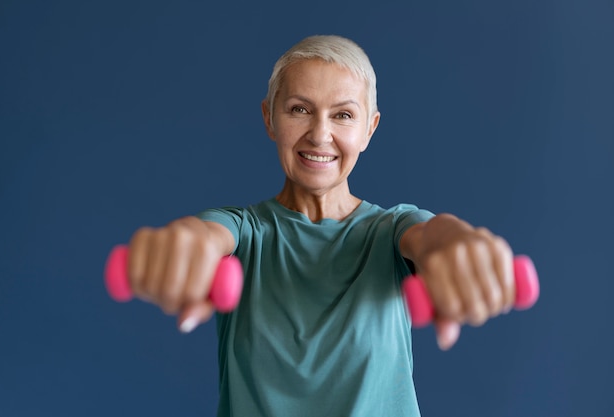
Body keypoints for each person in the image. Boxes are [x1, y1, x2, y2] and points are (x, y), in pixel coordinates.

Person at [126, 35, 515, 417]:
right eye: (299, 109)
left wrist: (457, 244)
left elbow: (432, 236)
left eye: (343, 115)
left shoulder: (393, 229)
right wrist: (181, 247)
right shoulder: (242, 231)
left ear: (370, 129)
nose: (319, 134)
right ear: (269, 118)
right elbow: (203, 237)